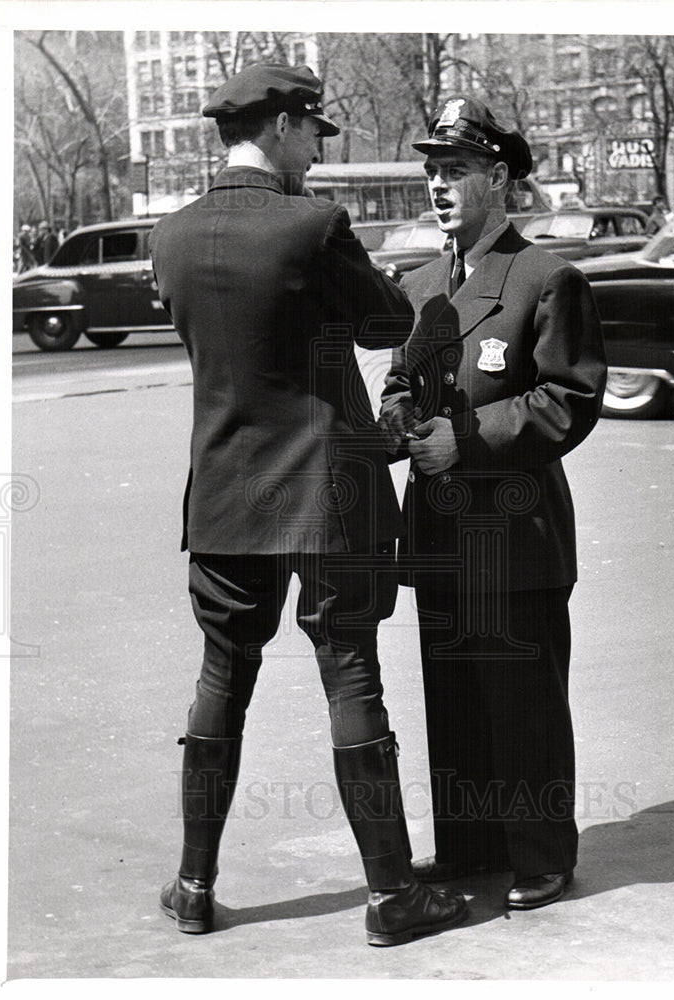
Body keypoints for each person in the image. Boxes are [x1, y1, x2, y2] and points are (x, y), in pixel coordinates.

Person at [148, 63, 466, 947]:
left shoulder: (169, 237)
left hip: (224, 491)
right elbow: (387, 323)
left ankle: (193, 885)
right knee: (350, 672)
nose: (315, 160)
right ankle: (391, 895)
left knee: (222, 675)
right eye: (312, 139)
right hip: (330, 487)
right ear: (286, 128)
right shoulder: (313, 225)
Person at [379, 95, 607, 910]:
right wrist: (403, 418)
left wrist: (463, 440)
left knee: (525, 706)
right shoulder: (419, 285)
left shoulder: (546, 277)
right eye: (432, 172)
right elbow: (401, 381)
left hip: (516, 533)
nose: (438, 186)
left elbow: (567, 400)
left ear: (499, 178)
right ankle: (472, 847)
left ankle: (542, 852)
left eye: (456, 171)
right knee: (457, 698)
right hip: (441, 531)